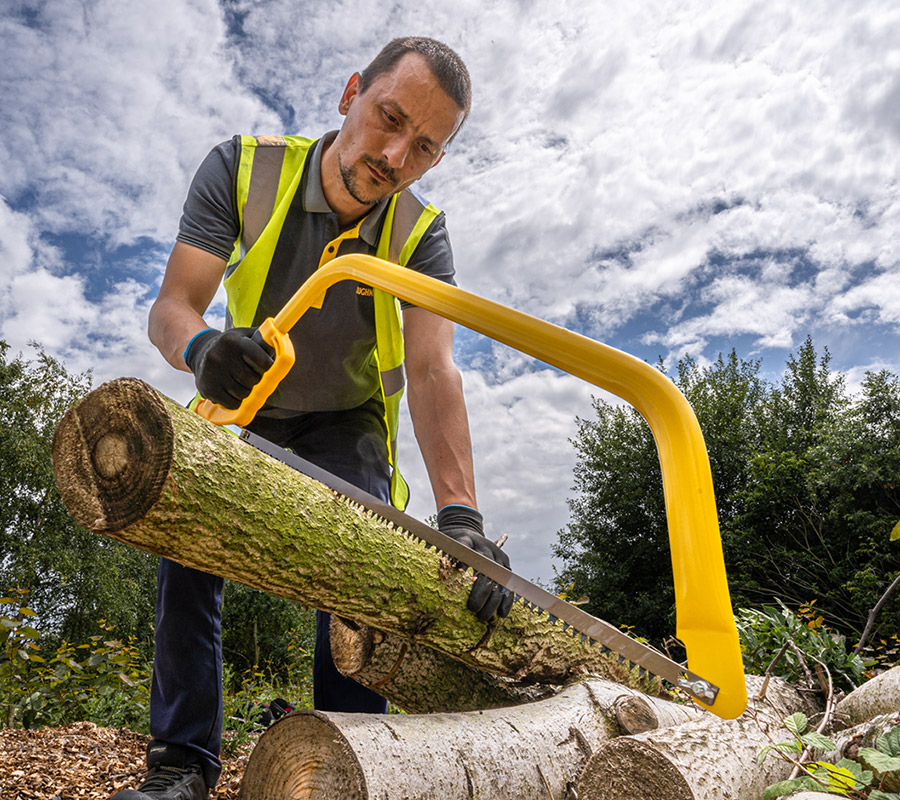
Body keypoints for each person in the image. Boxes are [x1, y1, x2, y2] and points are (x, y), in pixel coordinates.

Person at [112, 37, 513, 800]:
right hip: (247, 395)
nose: (395, 156)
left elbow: (433, 369)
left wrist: (460, 515)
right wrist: (200, 349)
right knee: (187, 542)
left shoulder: (419, 235)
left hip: (345, 420)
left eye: (423, 147)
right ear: (349, 94)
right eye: (388, 118)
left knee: (363, 559)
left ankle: (349, 771)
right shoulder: (244, 168)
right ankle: (181, 765)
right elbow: (172, 305)